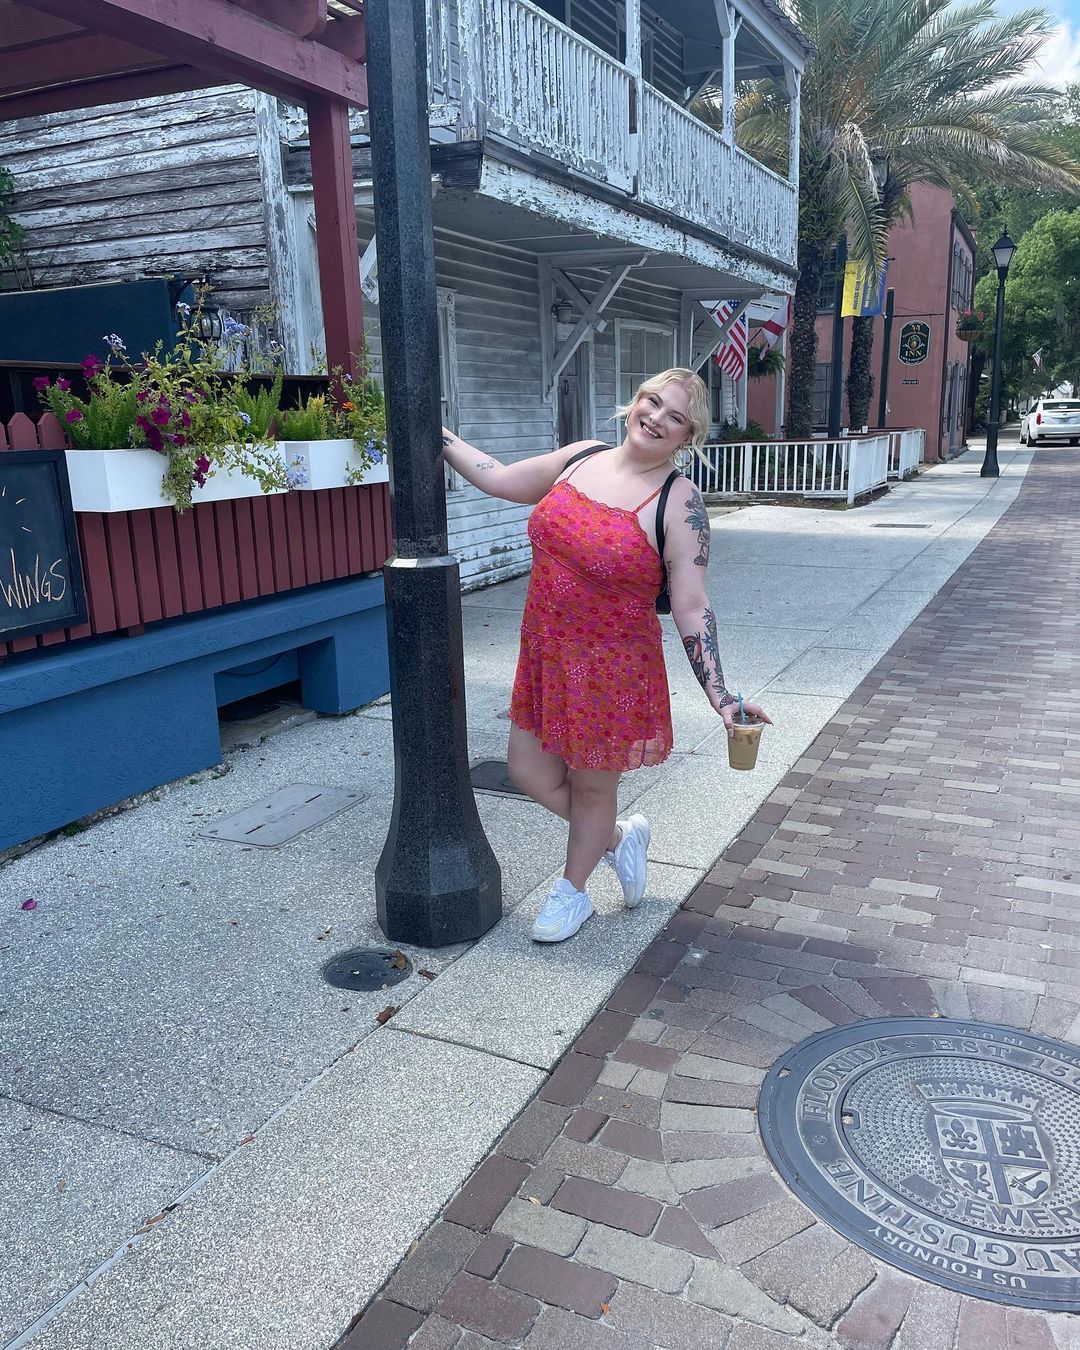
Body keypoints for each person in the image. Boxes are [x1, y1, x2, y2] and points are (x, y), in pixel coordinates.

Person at [440, 367, 771, 943]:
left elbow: (691, 604)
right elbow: (500, 478)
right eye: (652, 402)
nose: (657, 419)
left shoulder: (679, 502)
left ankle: (571, 893)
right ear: (634, 402)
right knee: (527, 772)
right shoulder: (581, 457)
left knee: (593, 789)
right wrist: (436, 433)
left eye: (675, 417)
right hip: (546, 654)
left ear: (688, 436)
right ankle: (618, 838)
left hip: (612, 671)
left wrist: (721, 696)